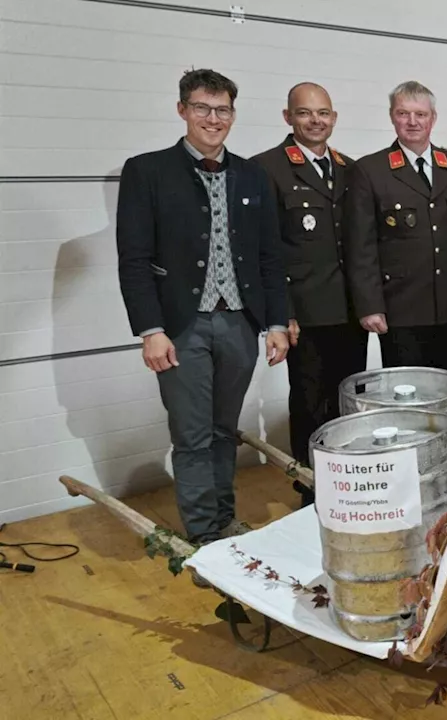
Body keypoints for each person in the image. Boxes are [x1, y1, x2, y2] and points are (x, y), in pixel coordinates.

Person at [115, 69, 289, 556]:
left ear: (233, 114)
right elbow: (133, 259)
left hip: (239, 322)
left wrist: (275, 322)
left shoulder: (253, 175)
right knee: (191, 434)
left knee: (222, 431)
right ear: (182, 110)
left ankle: (224, 518)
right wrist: (150, 330)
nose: (213, 119)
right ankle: (203, 534)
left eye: (222, 110)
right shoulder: (147, 171)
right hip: (179, 325)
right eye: (202, 108)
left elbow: (270, 257)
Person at [252, 82, 367, 507]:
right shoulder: (266, 168)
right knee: (308, 402)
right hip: (305, 313)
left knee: (345, 400)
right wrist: (281, 315)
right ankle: (310, 488)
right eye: (305, 113)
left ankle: (343, 482)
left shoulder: (350, 168)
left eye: (323, 113)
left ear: (334, 119)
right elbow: (266, 250)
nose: (315, 120)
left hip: (349, 311)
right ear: (288, 118)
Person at [343, 81, 447, 374]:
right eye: (404, 113)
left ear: (433, 118)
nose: (412, 122)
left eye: (421, 114)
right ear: (392, 116)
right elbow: (361, 246)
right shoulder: (370, 171)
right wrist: (369, 305)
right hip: (402, 309)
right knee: (408, 395)